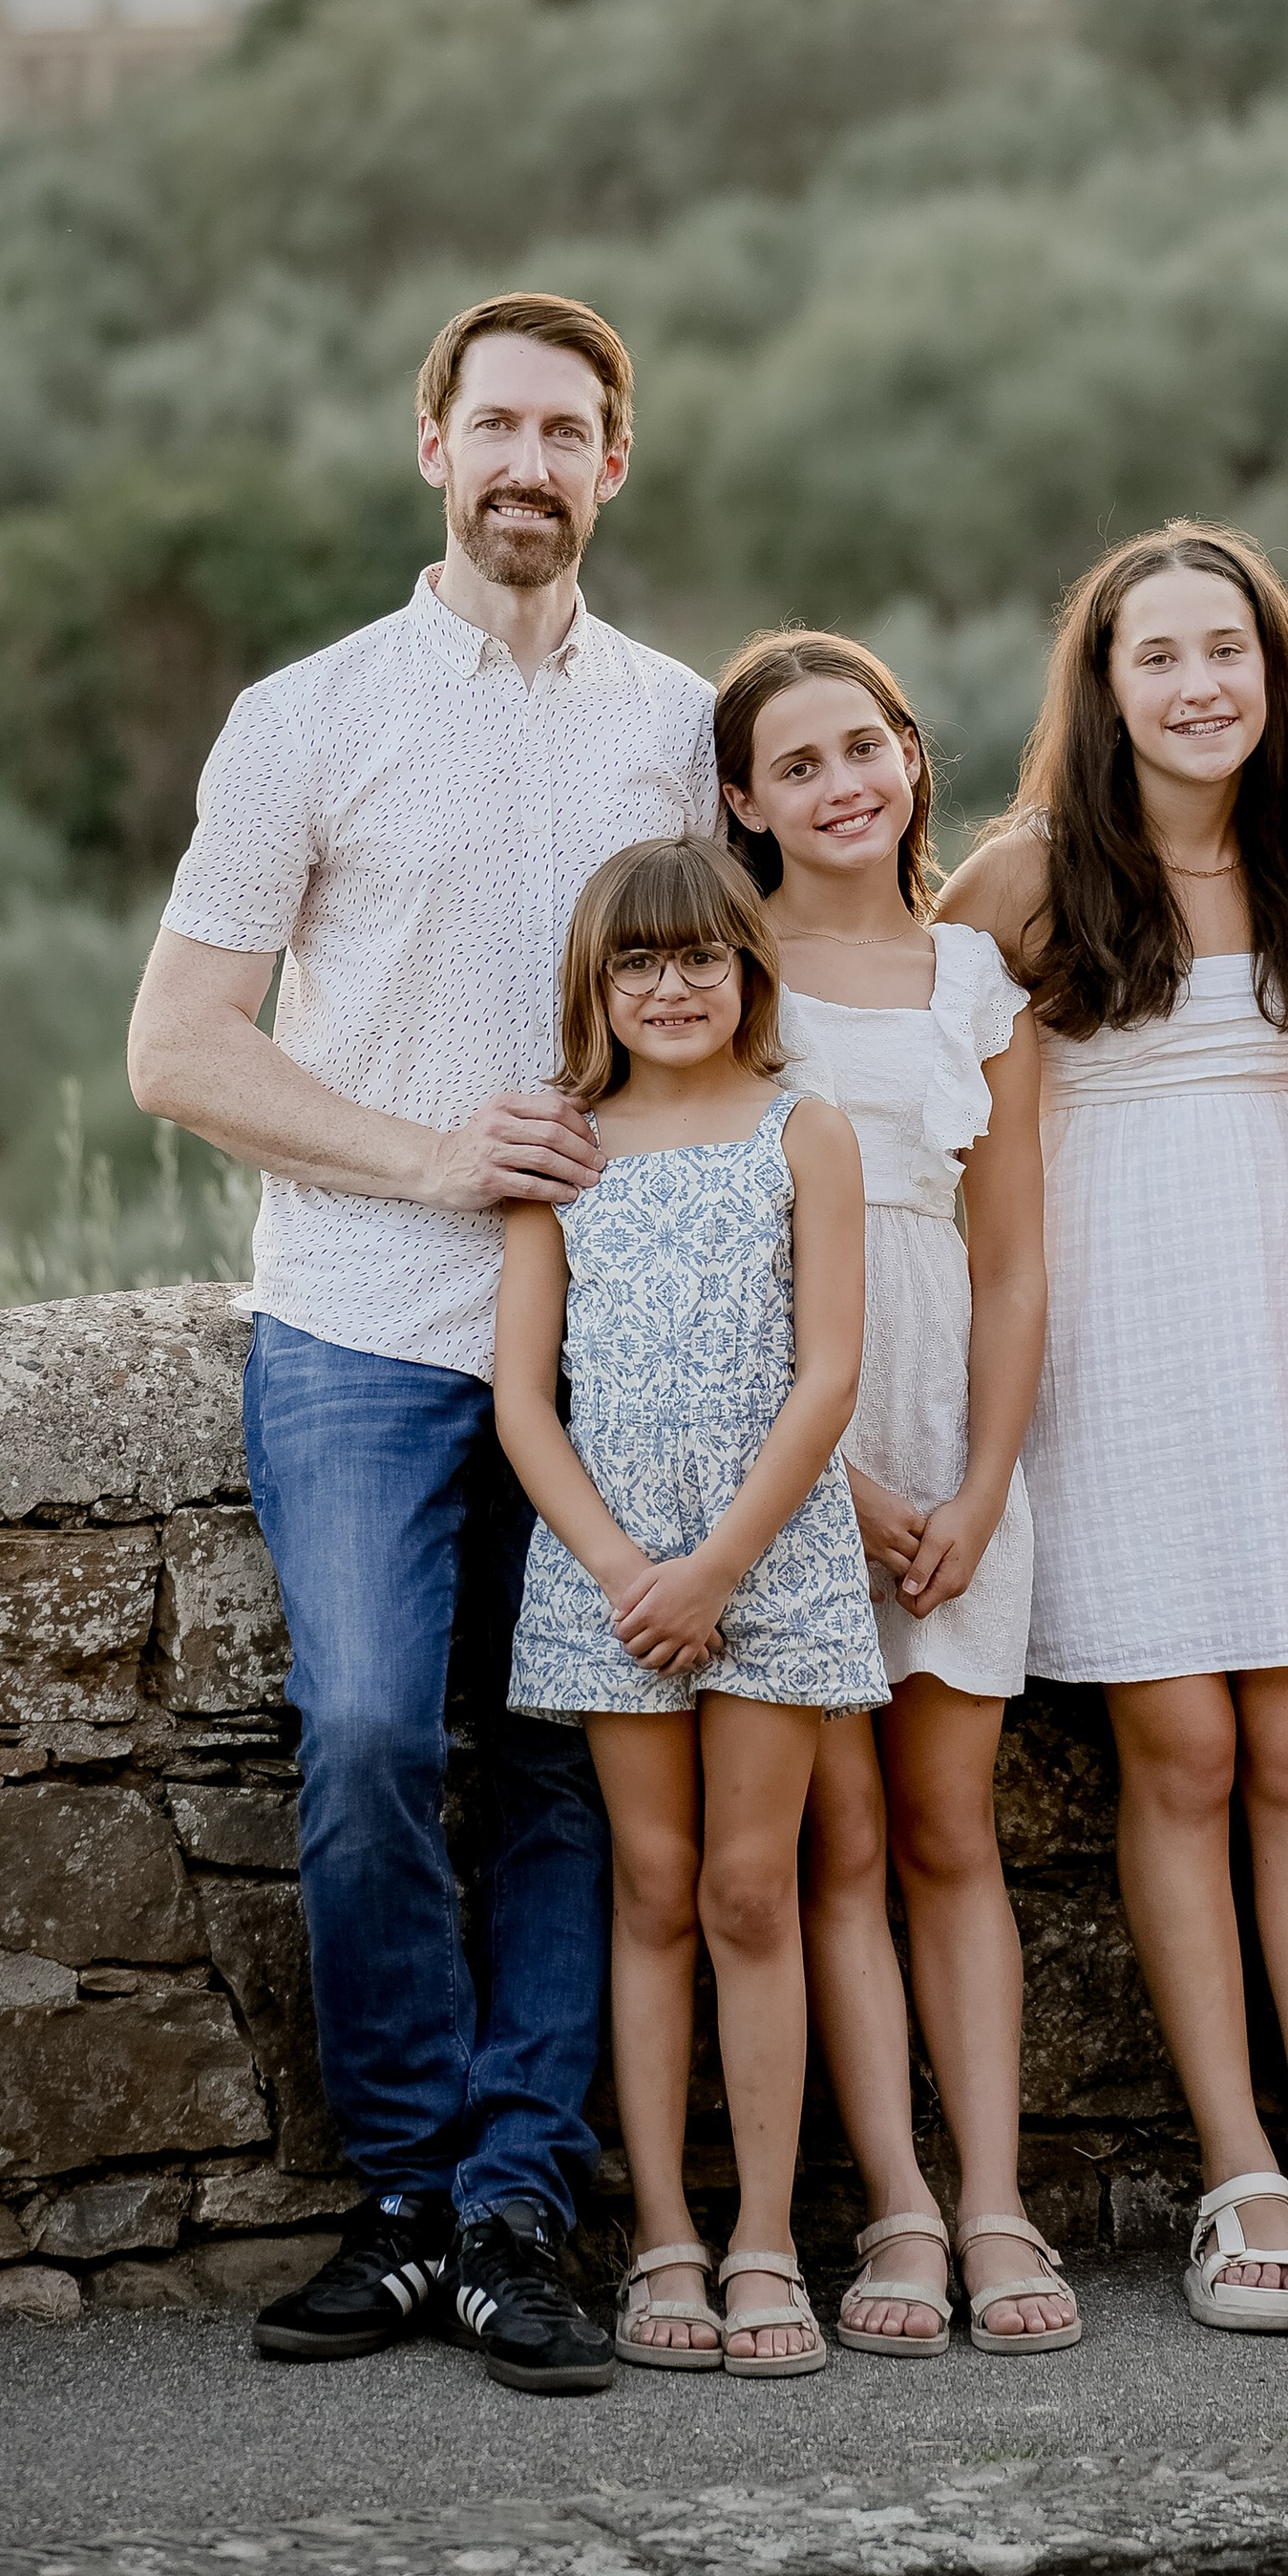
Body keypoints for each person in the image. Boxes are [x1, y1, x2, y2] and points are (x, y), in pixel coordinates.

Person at [127, 291, 717, 2395]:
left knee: (568, 1764)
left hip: (612, 1344)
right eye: (496, 426)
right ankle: (401, 2194)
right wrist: (433, 1158)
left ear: (612, 466)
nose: (527, 464)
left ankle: (513, 2204)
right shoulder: (308, 715)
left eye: (567, 432)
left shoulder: (681, 726)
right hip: (364, 1326)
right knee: (373, 1730)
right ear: (431, 446)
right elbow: (176, 1049)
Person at [941, 525, 1288, 2341]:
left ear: (1272, 670)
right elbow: (902, 1093)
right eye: (1155, 655)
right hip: (1111, 1339)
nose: (1197, 685)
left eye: (1225, 648)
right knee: (1186, 1753)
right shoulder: (1019, 881)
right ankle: (1239, 2179)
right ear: (1104, 687)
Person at [715, 631, 1079, 2360]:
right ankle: (899, 2211)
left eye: (863, 748)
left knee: (951, 1831)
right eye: (797, 766)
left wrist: (982, 1483)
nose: (841, 785)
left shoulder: (975, 982)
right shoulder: (729, 979)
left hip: (952, 1432)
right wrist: (834, 1484)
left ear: (913, 758)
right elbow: (723, 1252)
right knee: (838, 1844)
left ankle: (996, 2201)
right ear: (744, 803)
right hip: (795, 1448)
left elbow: (1011, 1264)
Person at [494, 835, 883, 2380]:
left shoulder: (806, 1132)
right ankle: (663, 2233)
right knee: (651, 1889)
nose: (671, 987)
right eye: (638, 963)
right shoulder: (569, 1154)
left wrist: (718, 1565)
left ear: (747, 969)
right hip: (609, 1582)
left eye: (701, 957)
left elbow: (829, 1374)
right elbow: (524, 1399)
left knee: (749, 1891)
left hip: (767, 1564)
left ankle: (767, 2236)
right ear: (595, 985)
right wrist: (622, 1571)